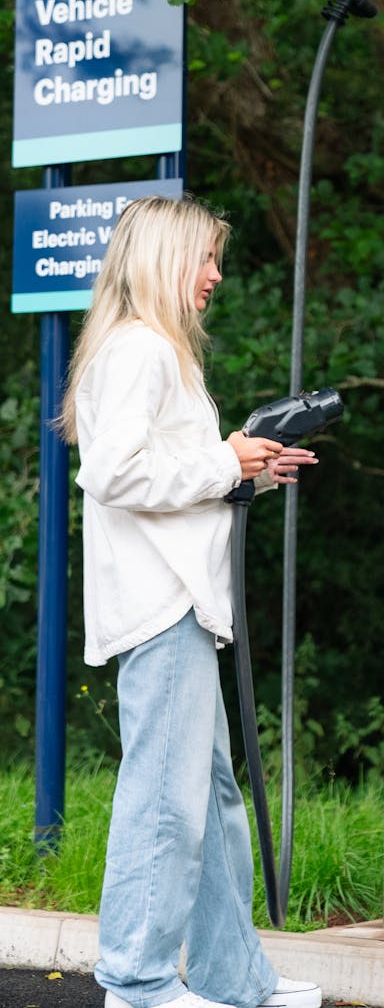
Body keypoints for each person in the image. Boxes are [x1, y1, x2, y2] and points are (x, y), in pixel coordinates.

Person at [58, 195, 323, 1008]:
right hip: (163, 603)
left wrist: (243, 469)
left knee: (208, 800)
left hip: (178, 601)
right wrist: (222, 463)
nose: (215, 276)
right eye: (205, 259)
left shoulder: (148, 350)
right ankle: (136, 983)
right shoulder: (142, 350)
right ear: (165, 259)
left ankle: (232, 979)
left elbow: (167, 475)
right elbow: (111, 473)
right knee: (167, 803)